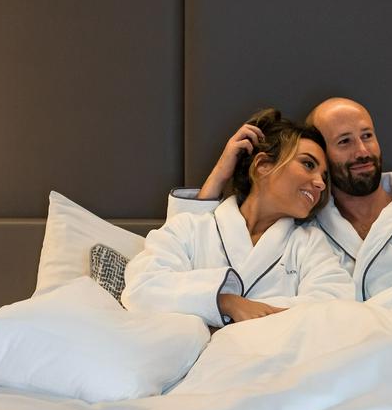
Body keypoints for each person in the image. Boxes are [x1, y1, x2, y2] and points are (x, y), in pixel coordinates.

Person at [167, 98, 392, 315]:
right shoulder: (302, 230)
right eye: (344, 142)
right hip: (356, 358)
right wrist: (221, 174)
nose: (362, 151)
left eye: (367, 136)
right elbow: (202, 248)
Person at [122, 109, 354, 328]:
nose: (320, 183)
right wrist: (226, 303)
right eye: (308, 164)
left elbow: (334, 304)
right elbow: (143, 288)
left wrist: (235, 317)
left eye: (323, 176)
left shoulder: (310, 243)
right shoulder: (190, 228)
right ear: (263, 165)